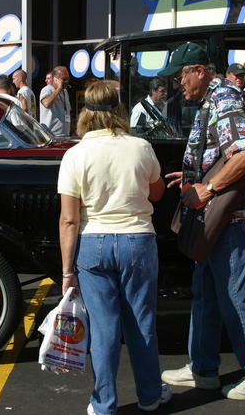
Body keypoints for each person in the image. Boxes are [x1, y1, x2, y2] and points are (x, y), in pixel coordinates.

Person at [157, 42, 245, 400]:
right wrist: (193, 174)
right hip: (215, 217)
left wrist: (207, 187)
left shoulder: (224, 100)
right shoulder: (214, 100)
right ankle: (203, 369)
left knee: (235, 294)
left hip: (227, 218)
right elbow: (221, 154)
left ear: (200, 71)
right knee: (205, 293)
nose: (178, 85)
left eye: (180, 77)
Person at [58, 80, 168, 415]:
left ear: (85, 113)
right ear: (120, 109)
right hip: (138, 239)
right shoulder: (140, 147)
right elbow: (157, 193)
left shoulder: (75, 155)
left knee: (104, 329)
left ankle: (104, 404)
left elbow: (69, 220)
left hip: (93, 243)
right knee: (142, 323)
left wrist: (66, 271)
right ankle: (150, 395)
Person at [40, 65, 71, 137]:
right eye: (64, 79)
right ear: (55, 79)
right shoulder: (47, 89)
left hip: (65, 134)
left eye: (67, 79)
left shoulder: (65, 92)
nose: (66, 81)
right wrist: (59, 88)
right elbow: (46, 104)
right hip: (51, 134)